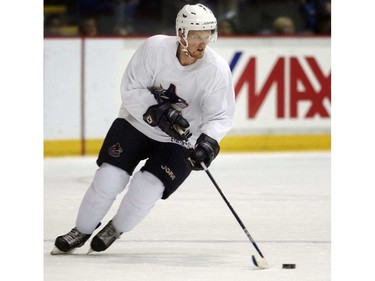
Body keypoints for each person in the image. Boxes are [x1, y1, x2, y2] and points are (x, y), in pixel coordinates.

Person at [51, 3, 236, 255]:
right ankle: (81, 230)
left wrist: (207, 142)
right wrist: (156, 112)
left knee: (148, 187)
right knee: (108, 178)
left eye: (207, 35)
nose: (203, 43)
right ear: (181, 33)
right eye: (196, 36)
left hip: (180, 139)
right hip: (136, 124)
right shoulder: (154, 48)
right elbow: (131, 89)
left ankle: (115, 228)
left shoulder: (216, 70)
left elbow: (219, 116)